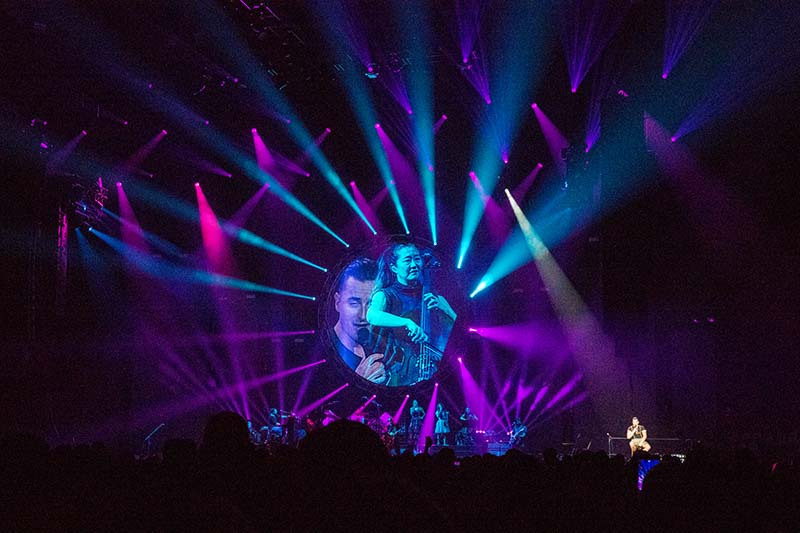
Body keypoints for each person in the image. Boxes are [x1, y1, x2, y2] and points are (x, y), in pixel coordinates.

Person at [366, 242, 456, 386]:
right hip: (402, 374)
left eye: (417, 259)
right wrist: (406, 322)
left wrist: (445, 310)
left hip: (436, 369)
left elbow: (459, 329)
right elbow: (372, 316)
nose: (414, 265)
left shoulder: (433, 297)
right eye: (408, 260)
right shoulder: (385, 295)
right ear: (394, 267)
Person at [331, 257, 386, 384]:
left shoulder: (382, 346)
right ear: (337, 302)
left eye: (371, 304)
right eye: (354, 303)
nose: (363, 316)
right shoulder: (315, 352)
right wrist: (357, 383)